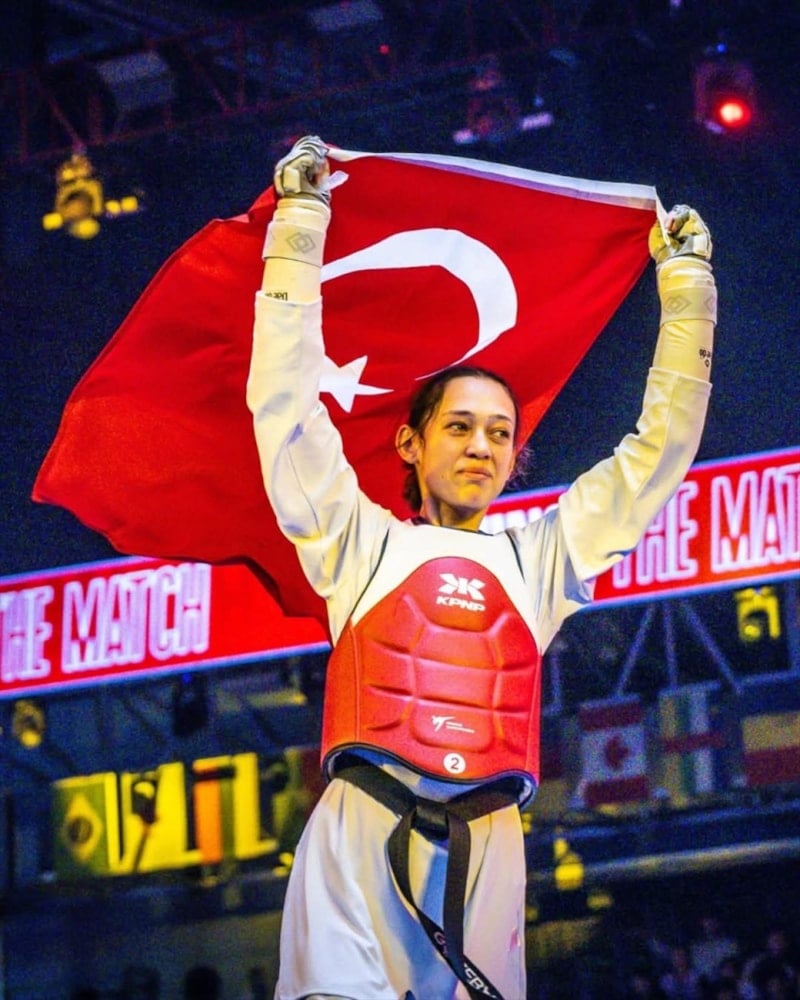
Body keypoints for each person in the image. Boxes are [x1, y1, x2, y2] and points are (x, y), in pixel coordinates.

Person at [246, 135, 717, 1000]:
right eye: (459, 426)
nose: (481, 446)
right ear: (409, 443)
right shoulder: (357, 540)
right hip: (360, 827)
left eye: (500, 432)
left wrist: (689, 293)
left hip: (489, 841)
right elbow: (284, 407)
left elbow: (657, 456)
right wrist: (299, 228)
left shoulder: (539, 560)